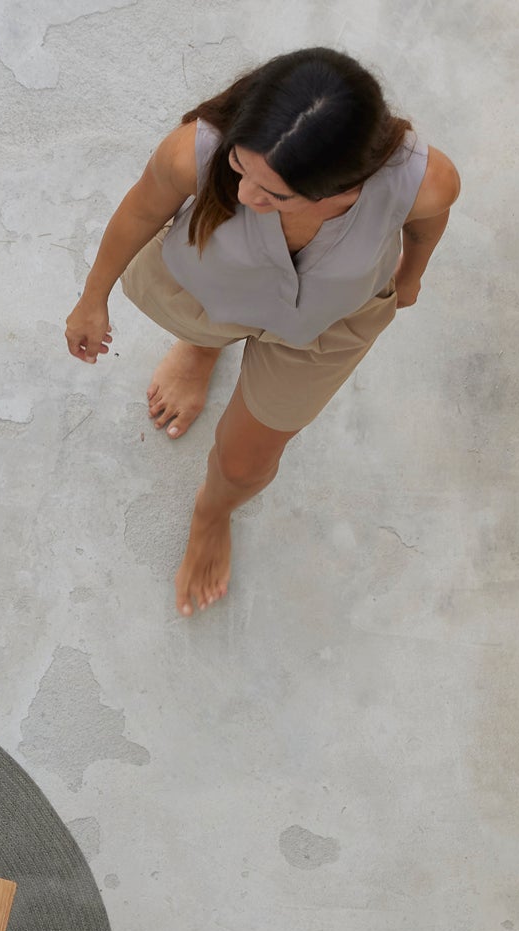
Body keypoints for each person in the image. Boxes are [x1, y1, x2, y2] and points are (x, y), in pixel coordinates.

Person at [63, 48, 459, 616]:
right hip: (208, 286)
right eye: (239, 167)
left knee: (244, 464)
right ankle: (203, 347)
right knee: (203, 320)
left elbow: (424, 227)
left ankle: (212, 512)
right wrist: (91, 298)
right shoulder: (193, 150)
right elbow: (143, 211)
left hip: (326, 325)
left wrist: (412, 276)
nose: (246, 196)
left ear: (346, 185)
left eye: (275, 196)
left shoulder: (424, 182)